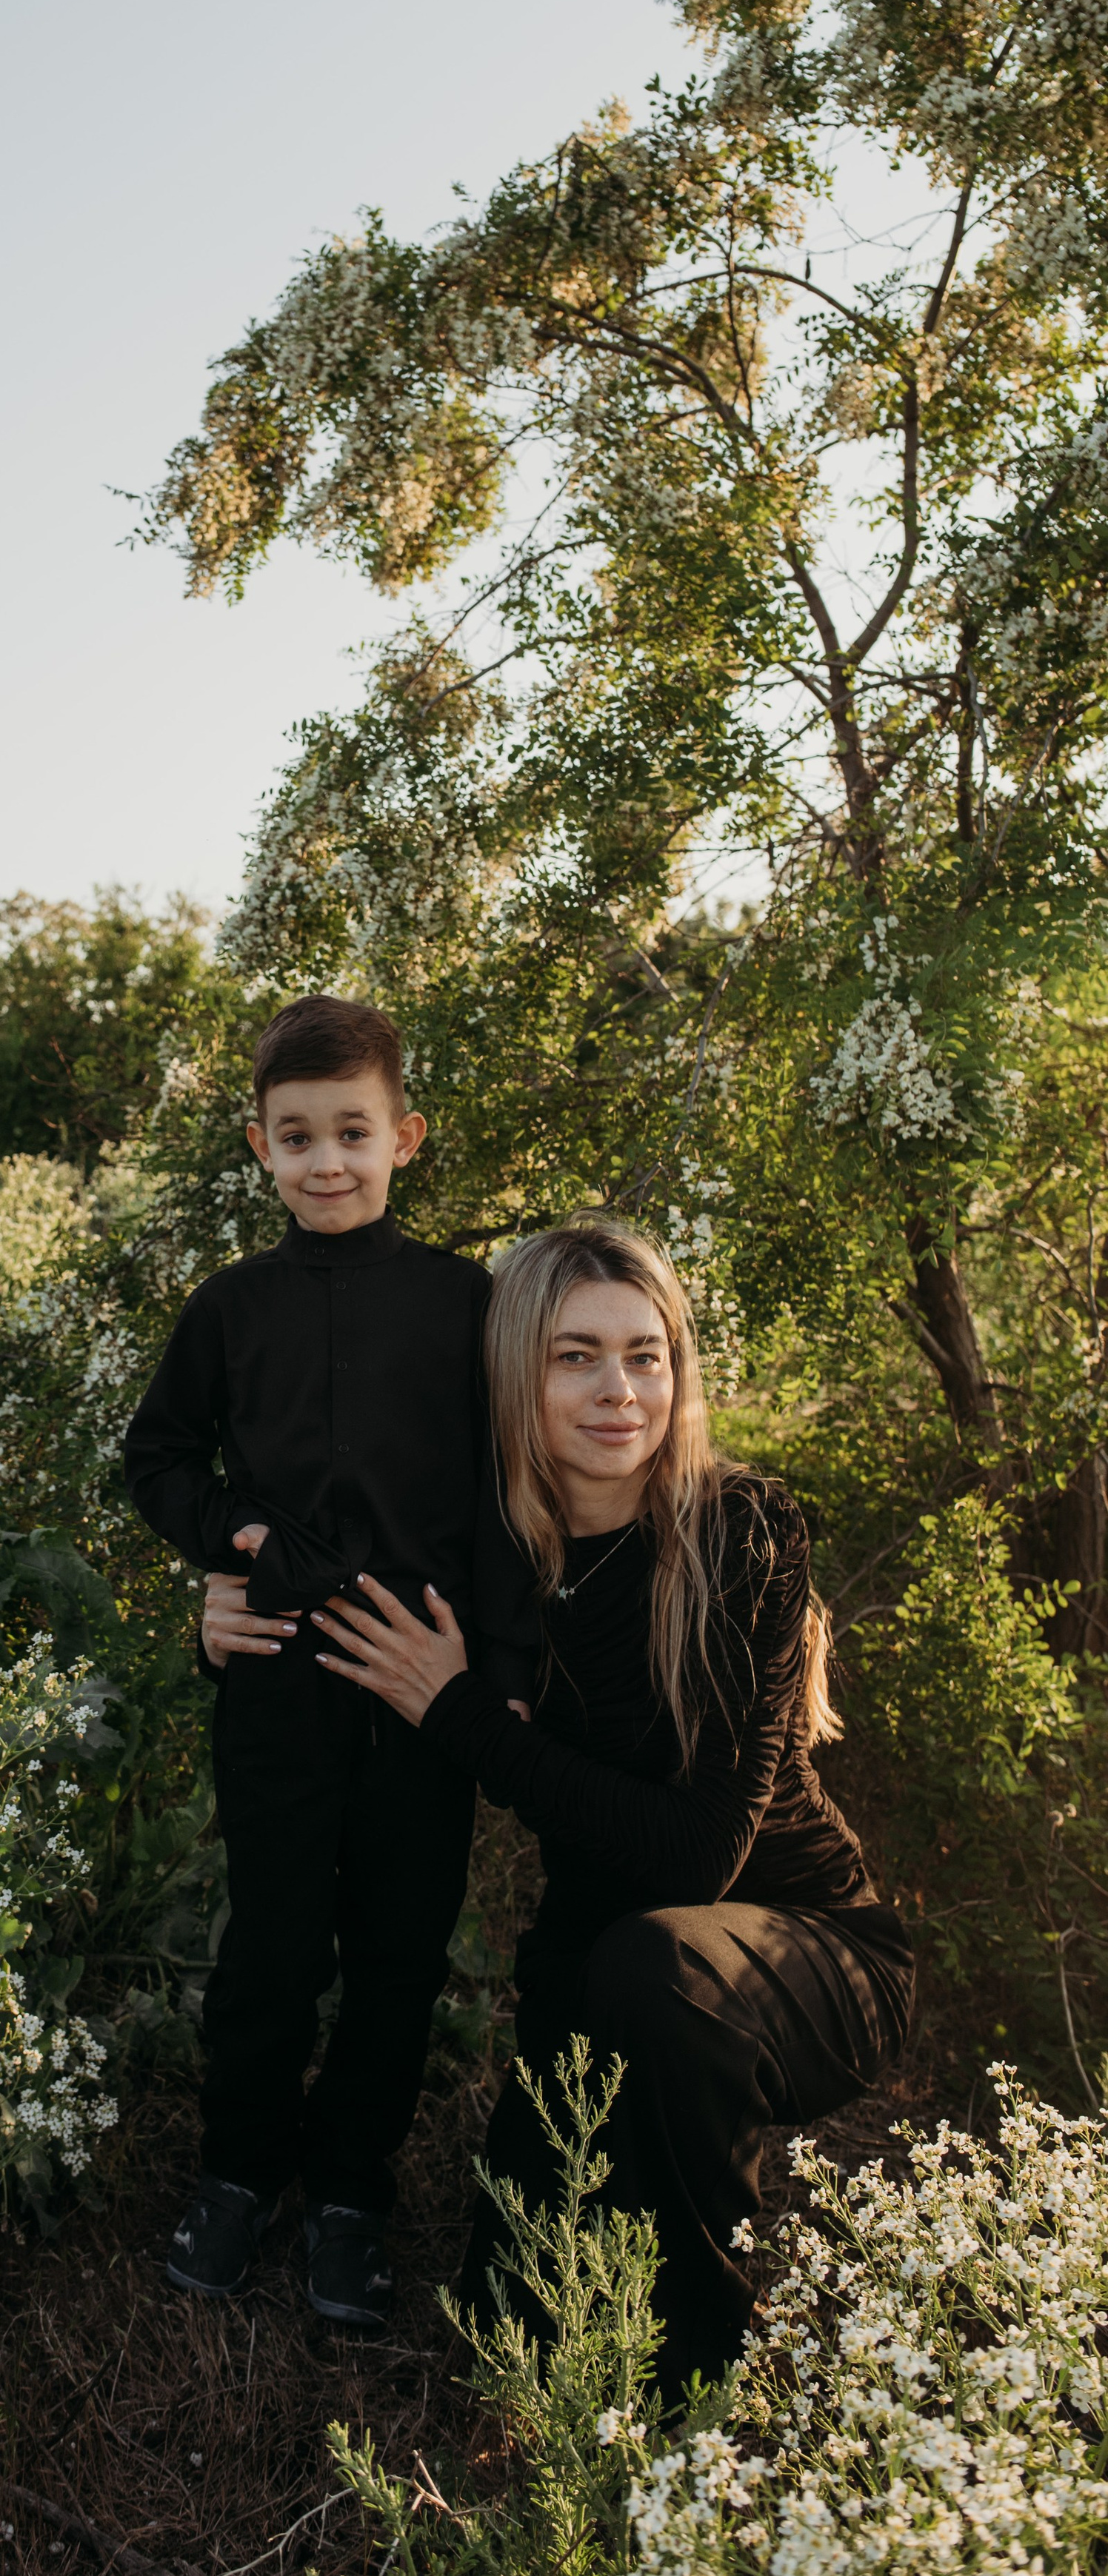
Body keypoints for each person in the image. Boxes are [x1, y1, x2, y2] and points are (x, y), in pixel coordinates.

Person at [206, 1214, 913, 2397]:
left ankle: (703, 2390)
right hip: (600, 1965)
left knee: (658, 1968)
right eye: (574, 1356)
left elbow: (699, 1856)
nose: (618, 1391)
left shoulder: (741, 1531)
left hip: (810, 1951)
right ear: (514, 1376)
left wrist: (460, 1716)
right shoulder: (486, 1557)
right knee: (513, 2309)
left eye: (645, 1355)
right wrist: (229, 1619)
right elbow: (324, 1594)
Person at [124, 994, 534, 2329]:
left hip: (421, 1691)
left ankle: (351, 2195)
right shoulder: (231, 1308)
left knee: (402, 1953)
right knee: (273, 1947)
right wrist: (230, 1539)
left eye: (353, 1132)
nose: (327, 1162)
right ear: (261, 1148)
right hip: (279, 1682)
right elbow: (158, 1457)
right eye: (296, 1137)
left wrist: (495, 1668)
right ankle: (239, 2174)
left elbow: (506, 1497)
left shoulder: (470, 1304)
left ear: (405, 1136)